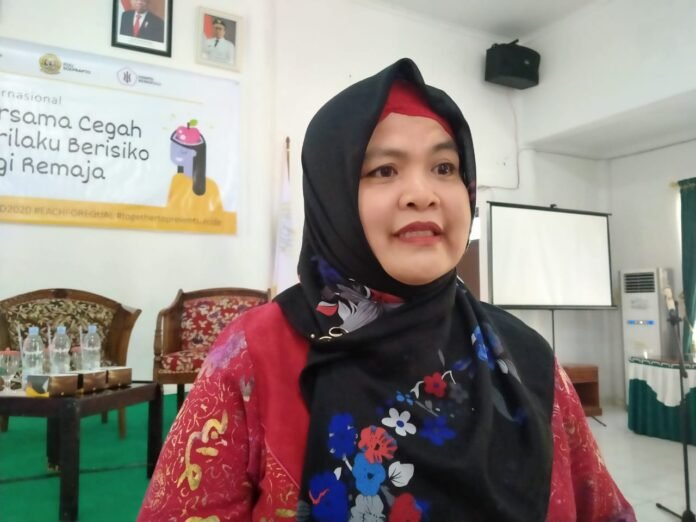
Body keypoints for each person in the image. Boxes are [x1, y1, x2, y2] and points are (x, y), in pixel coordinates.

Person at [138, 59, 635, 521]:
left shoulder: (525, 356)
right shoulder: (255, 354)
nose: (422, 193)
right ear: (332, 194)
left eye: (444, 168)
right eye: (383, 170)